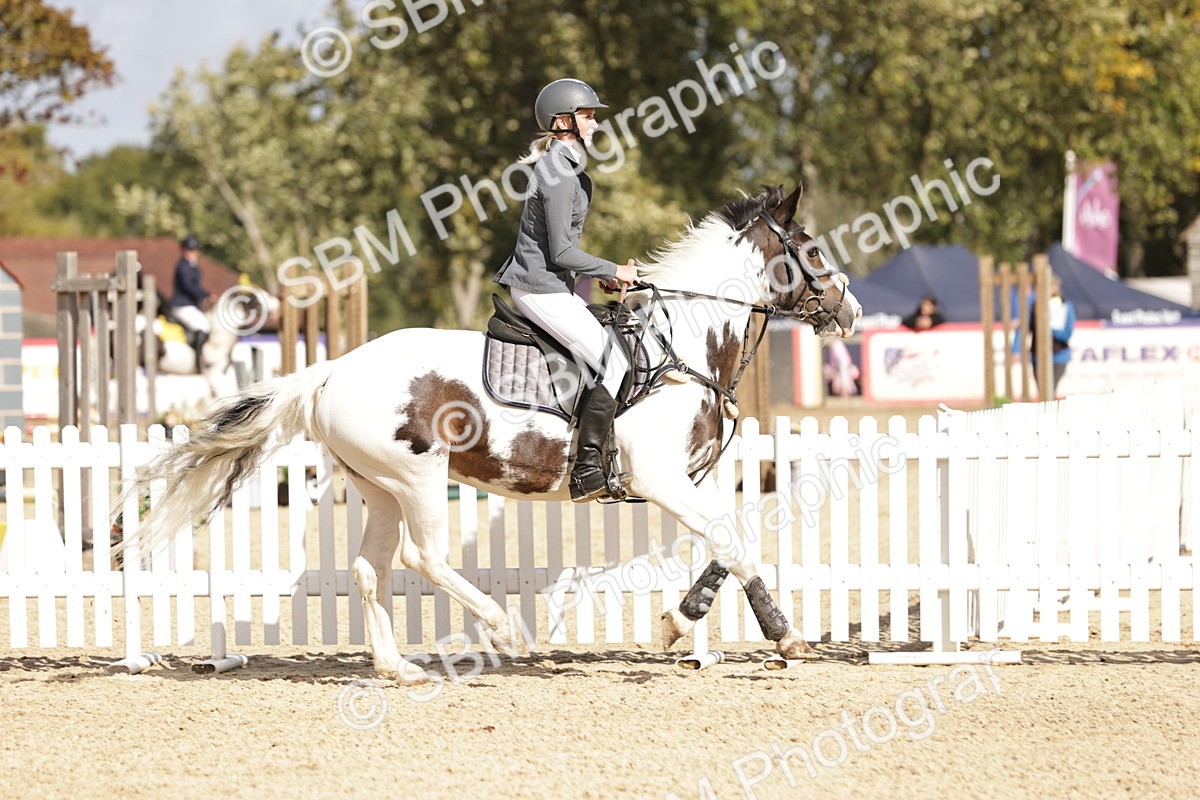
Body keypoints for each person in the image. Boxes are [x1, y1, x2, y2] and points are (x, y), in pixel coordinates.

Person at [494, 78, 638, 502]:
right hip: (540, 288)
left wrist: (605, 277)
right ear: (563, 121)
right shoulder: (558, 170)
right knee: (615, 366)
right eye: (588, 115)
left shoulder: (569, 168)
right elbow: (561, 250)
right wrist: (614, 268)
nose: (594, 123)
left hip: (554, 285)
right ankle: (588, 470)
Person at [170, 235, 215, 371]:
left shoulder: (192, 266)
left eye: (194, 250)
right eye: (189, 250)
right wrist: (205, 295)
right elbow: (189, 286)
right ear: (184, 251)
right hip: (183, 305)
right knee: (204, 327)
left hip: (191, 305)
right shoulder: (183, 266)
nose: (192, 253)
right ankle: (198, 359)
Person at [1027, 276, 1076, 399]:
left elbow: (1067, 334)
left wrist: (1049, 328)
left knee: (1049, 390)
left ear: (1055, 287)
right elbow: (1027, 327)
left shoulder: (1065, 305)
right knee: (1042, 392)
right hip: (1037, 354)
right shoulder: (1035, 304)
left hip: (1058, 355)